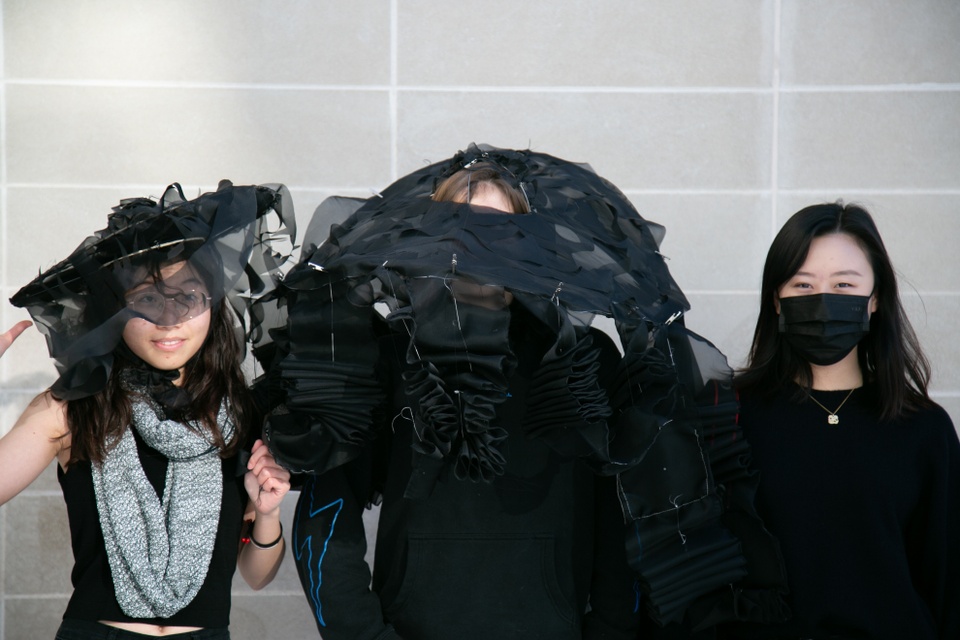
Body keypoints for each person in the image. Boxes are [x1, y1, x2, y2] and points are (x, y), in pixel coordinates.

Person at [263, 145, 784, 638]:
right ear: (432, 238)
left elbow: (620, 521)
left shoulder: (583, 360)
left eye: (499, 227)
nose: (480, 243)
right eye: (460, 224)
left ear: (526, 243)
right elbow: (327, 517)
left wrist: (608, 632)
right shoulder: (390, 360)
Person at [3, 181, 296, 639]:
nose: (170, 318)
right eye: (147, 299)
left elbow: (257, 576)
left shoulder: (242, 414)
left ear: (212, 305)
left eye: (189, 296)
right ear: (115, 312)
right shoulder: (72, 408)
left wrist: (268, 513)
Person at [725, 202, 960, 639]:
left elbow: (947, 580)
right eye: (802, 284)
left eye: (844, 284)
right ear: (777, 299)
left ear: (874, 301)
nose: (822, 299)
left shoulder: (924, 429)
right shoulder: (730, 417)